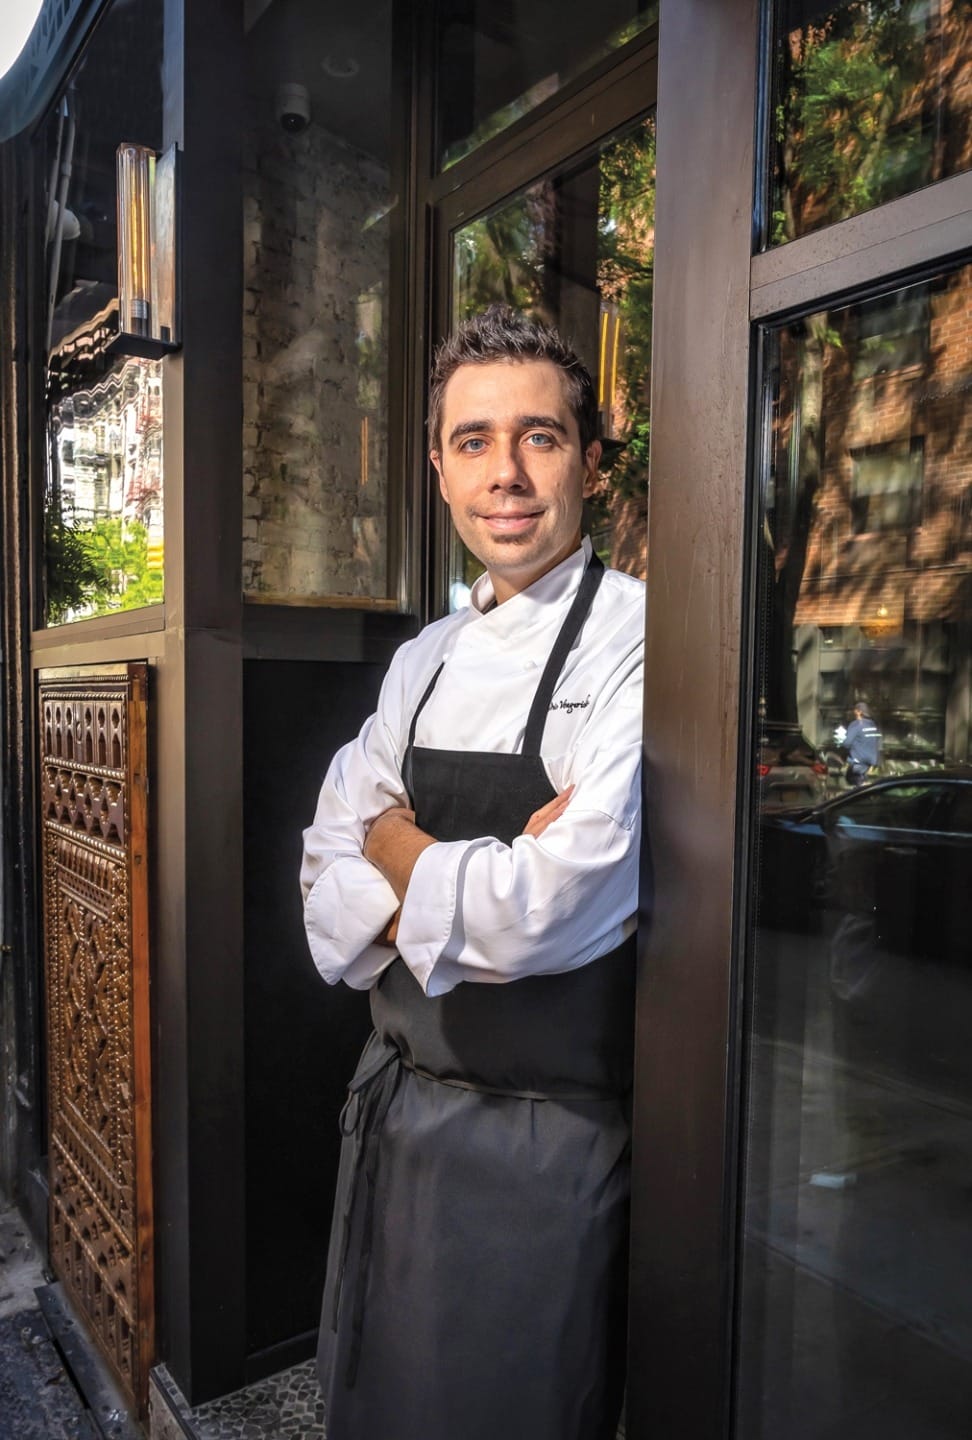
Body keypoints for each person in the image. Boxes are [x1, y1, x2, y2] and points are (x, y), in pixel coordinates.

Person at [300, 305, 645, 1440]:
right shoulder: (424, 658)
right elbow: (323, 891)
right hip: (399, 1121)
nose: (507, 473)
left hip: (549, 1153)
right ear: (441, 472)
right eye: (473, 441)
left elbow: (541, 913)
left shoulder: (647, 638)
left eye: (541, 438)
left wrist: (395, 847)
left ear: (590, 465)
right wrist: (468, 876)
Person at [841, 701, 882, 786]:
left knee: (853, 781)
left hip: (858, 763)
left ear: (859, 712)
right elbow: (879, 743)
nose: (854, 712)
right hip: (871, 763)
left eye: (855, 710)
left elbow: (847, 744)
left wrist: (840, 740)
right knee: (861, 782)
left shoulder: (856, 725)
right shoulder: (873, 725)